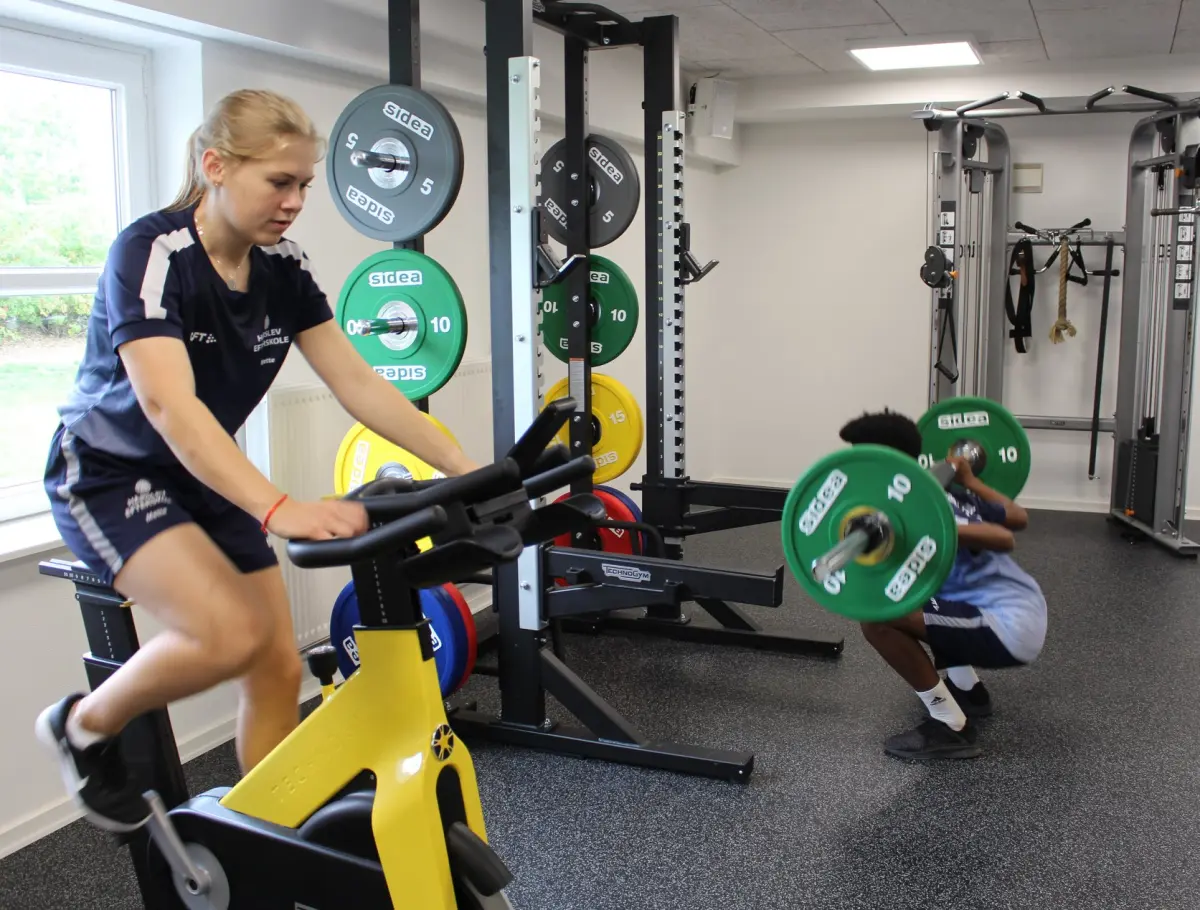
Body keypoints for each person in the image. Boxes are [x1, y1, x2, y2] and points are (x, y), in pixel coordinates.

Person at [35, 89, 479, 831]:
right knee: (226, 636)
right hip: (113, 473)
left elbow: (358, 381)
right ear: (215, 165)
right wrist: (279, 506)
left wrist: (465, 466)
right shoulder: (152, 253)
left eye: (304, 184)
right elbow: (171, 408)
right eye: (281, 181)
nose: (296, 200)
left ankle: (271, 836)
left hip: (203, 474)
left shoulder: (282, 265)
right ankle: (81, 726)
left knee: (275, 666)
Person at [838, 409, 1048, 761]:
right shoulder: (936, 489)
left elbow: (1004, 535)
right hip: (1007, 608)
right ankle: (969, 691)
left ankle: (951, 725)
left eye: (859, 455)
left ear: (884, 460)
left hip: (1008, 624)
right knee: (915, 589)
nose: (850, 464)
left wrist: (919, 530)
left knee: (877, 619)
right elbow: (1018, 515)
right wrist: (969, 479)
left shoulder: (928, 506)